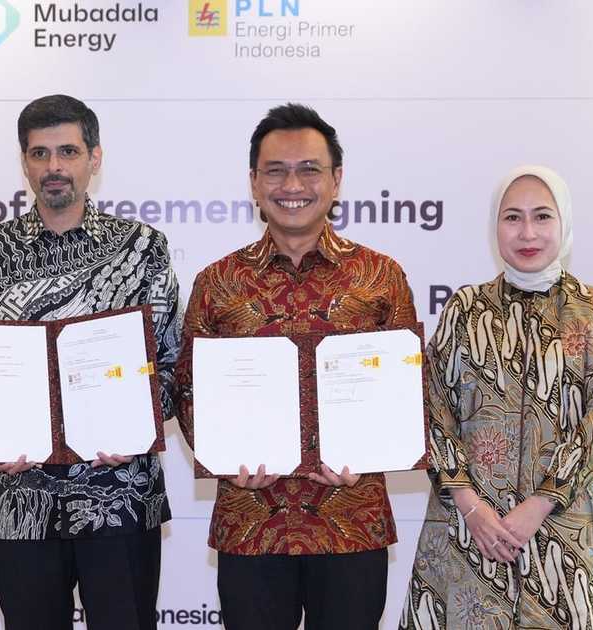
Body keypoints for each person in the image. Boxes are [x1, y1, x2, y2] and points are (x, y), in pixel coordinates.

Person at [0, 94, 181, 630]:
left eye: (68, 151)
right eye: (39, 153)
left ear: (94, 158)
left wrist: (136, 425)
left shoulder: (142, 247)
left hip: (120, 495)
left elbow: (169, 361)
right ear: (24, 162)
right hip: (18, 501)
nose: (54, 166)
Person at [175, 103, 417, 630]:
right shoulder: (217, 283)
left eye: (309, 169)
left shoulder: (381, 277)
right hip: (251, 524)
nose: (292, 185)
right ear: (254, 183)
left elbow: (407, 392)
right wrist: (224, 457)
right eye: (275, 170)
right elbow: (188, 391)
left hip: (352, 519)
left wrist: (373, 451)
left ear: (336, 180)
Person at [398, 166, 593, 629]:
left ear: (564, 221)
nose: (527, 232)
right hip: (471, 528)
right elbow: (433, 410)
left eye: (542, 216)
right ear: (495, 225)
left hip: (565, 528)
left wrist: (538, 506)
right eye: (512, 217)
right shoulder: (465, 310)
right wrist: (472, 507)